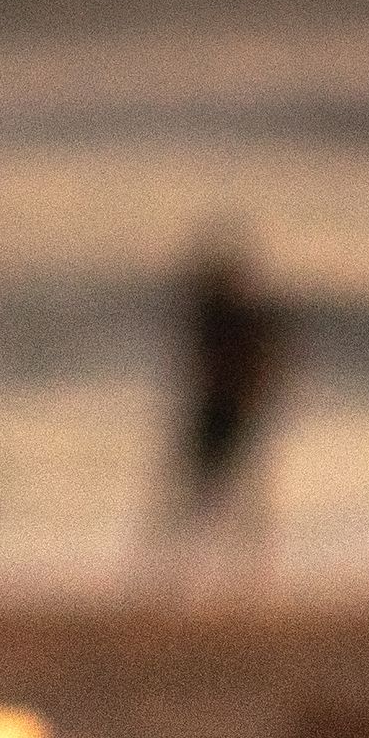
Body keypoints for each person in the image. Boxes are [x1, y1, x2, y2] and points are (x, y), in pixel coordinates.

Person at [159, 222, 290, 588]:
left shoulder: (231, 316)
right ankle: (189, 573)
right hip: (219, 408)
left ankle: (241, 576)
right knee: (203, 492)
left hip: (228, 409)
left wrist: (253, 399)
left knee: (222, 494)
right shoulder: (219, 314)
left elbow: (258, 365)